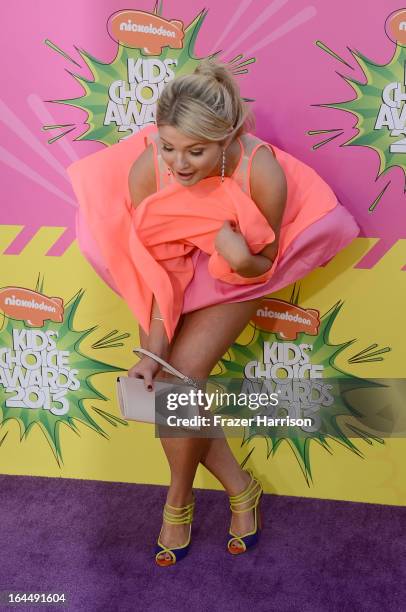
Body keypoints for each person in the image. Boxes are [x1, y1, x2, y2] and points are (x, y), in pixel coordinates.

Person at [68, 58, 359, 567]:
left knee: (184, 377)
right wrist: (149, 351)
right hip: (172, 263)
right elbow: (158, 270)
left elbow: (261, 265)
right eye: (169, 146)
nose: (179, 164)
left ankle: (176, 502)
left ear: (226, 140)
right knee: (167, 381)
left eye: (196, 151)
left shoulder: (260, 168)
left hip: (243, 263)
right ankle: (241, 488)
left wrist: (236, 249)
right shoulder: (149, 167)